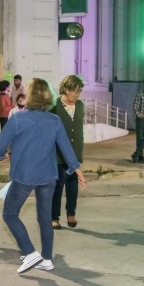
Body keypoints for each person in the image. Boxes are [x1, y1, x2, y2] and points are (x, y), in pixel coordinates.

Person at [0, 78, 83, 273]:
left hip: (24, 175)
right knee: (45, 218)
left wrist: (1, 156)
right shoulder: (55, 120)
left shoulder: (17, 119)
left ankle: (30, 252)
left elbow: (0, 147)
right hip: (48, 176)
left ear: (30, 96)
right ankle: (47, 259)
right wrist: (76, 170)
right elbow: (67, 149)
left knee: (10, 214)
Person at [50, 75, 86, 229]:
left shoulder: (80, 105)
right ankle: (54, 217)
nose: (77, 95)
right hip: (57, 154)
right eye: (74, 91)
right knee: (57, 187)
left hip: (74, 152)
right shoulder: (54, 106)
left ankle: (71, 213)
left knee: (72, 186)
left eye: (79, 91)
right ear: (66, 89)